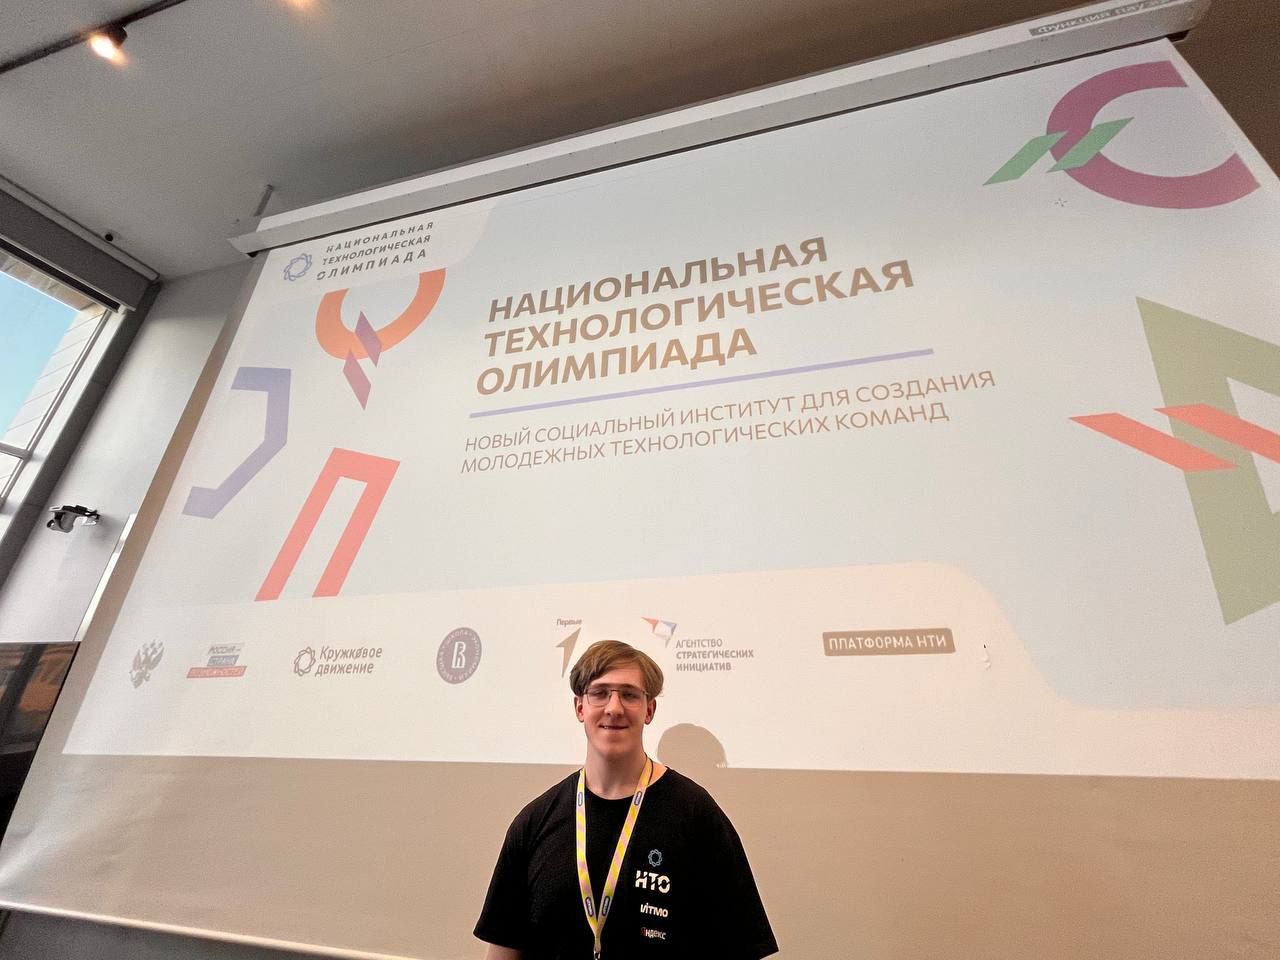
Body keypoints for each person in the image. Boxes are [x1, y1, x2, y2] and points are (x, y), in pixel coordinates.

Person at [475, 640, 778, 960]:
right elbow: (503, 950)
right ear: (580, 708)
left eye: (630, 694)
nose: (614, 707)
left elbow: (741, 946)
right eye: (600, 693)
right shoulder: (535, 822)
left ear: (649, 710)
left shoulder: (696, 815)